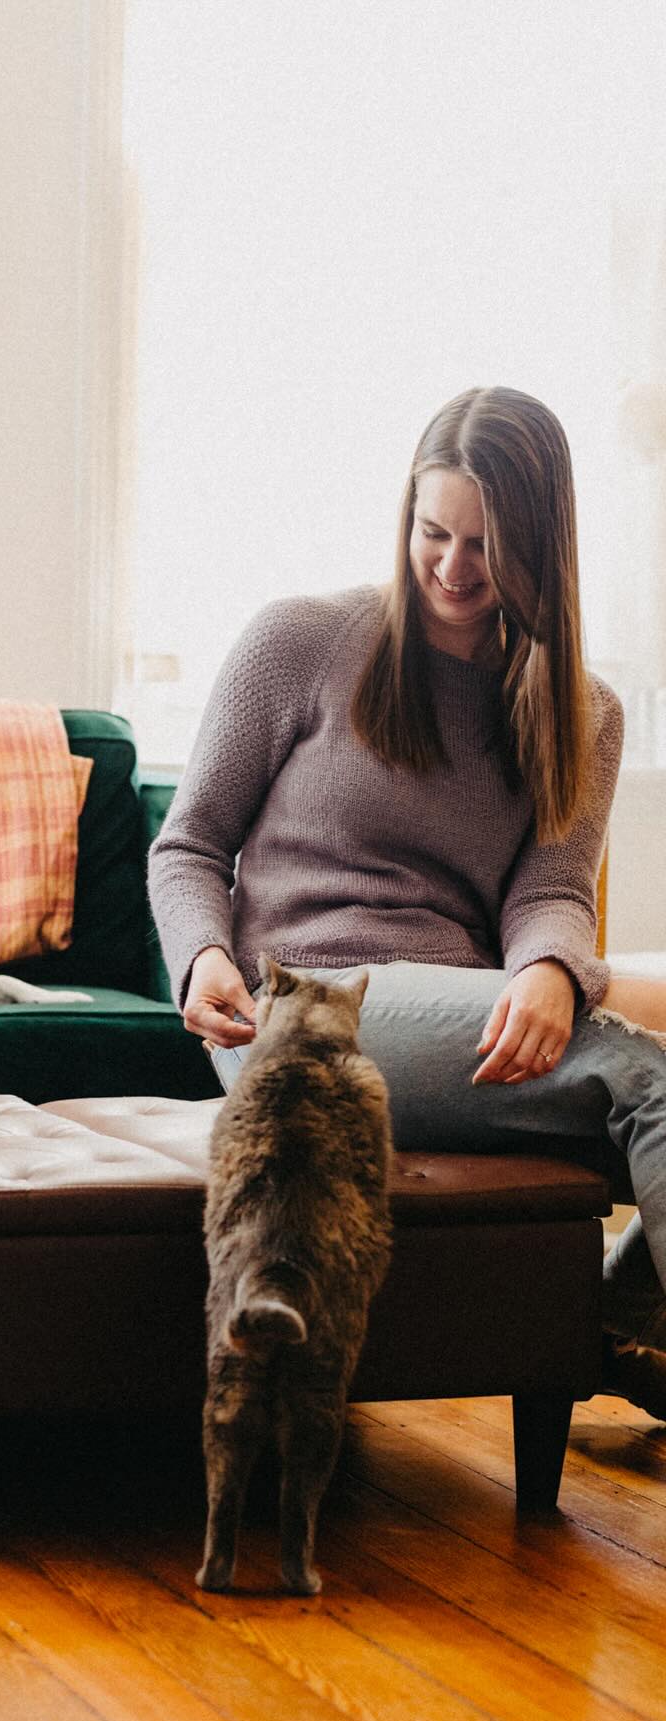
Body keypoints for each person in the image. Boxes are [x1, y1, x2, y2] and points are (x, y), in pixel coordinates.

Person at [149, 385, 666, 1423]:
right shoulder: (299, 641)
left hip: (456, 1024)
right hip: (294, 1012)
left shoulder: (582, 710)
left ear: (542, 543)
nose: (453, 568)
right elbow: (190, 844)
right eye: (434, 531)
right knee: (642, 1075)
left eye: (488, 543)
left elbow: (552, 892)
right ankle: (618, 1327)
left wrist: (552, 970)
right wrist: (202, 956)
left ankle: (612, 1321)